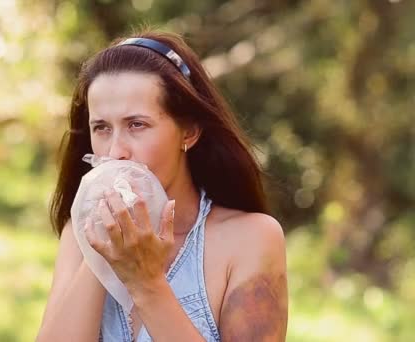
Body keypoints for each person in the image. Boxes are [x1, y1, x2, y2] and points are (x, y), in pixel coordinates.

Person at [37, 30, 288, 342]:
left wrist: (147, 283)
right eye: (101, 128)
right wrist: (102, 248)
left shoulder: (252, 237)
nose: (116, 152)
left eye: (137, 125)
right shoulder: (79, 237)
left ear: (189, 132)